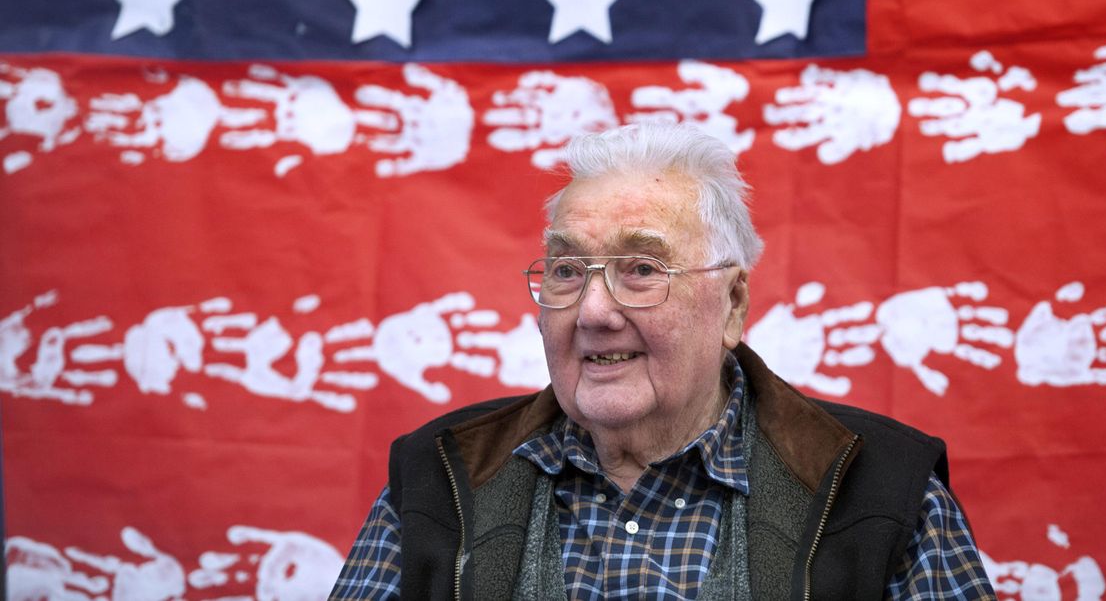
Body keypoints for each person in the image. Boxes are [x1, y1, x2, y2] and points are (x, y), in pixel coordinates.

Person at [330, 123, 996, 600]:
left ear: (733, 303)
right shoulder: (435, 479)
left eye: (641, 268)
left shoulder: (879, 488)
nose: (592, 310)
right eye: (566, 269)